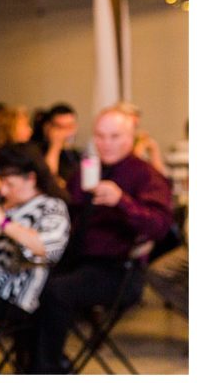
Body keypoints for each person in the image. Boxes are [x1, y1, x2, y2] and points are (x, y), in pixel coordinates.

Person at [27, 107, 173, 373]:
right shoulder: (88, 168)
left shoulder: (145, 175)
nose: (106, 144)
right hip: (77, 259)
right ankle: (38, 363)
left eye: (115, 136)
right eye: (100, 136)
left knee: (56, 291)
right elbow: (68, 208)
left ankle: (45, 369)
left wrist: (122, 201)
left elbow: (160, 226)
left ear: (130, 138)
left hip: (118, 270)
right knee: (28, 283)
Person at [0, 143, 70, 323]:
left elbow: (46, 248)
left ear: (31, 178)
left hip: (11, 294)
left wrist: (3, 221)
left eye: (10, 184)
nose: (3, 190)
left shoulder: (51, 207)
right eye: (2, 182)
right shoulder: (4, 202)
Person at [42, 102, 84, 183]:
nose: (66, 133)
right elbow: (47, 179)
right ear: (48, 128)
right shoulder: (38, 152)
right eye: (60, 127)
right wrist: (55, 146)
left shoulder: (77, 155)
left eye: (70, 126)